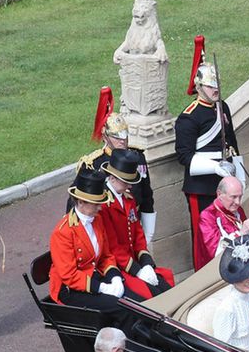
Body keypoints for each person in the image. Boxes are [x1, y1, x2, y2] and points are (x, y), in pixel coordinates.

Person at [174, 57, 243, 270]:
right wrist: (215, 167)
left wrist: (238, 175)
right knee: (204, 236)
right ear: (199, 87)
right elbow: (184, 156)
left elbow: (231, 143)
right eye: (210, 85)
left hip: (227, 183)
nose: (215, 89)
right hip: (202, 186)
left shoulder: (223, 107)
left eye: (217, 85)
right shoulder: (189, 117)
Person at [49, 168, 132, 315]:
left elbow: (106, 256)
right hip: (71, 289)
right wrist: (101, 287)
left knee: (135, 301)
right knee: (122, 309)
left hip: (93, 276)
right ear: (81, 202)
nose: (100, 208)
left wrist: (115, 277)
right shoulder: (63, 232)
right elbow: (69, 275)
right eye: (96, 204)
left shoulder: (97, 220)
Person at [97, 149, 174, 300]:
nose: (130, 186)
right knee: (151, 297)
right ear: (113, 178)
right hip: (118, 267)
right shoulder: (103, 206)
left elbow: (138, 233)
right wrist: (137, 271)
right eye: (126, 182)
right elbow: (112, 248)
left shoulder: (128, 198)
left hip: (133, 262)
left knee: (166, 286)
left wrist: (146, 263)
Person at [79, 94, 155, 244]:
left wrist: (148, 233)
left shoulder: (137, 157)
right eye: (116, 136)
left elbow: (146, 195)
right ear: (105, 137)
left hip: (133, 221)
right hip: (106, 226)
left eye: (124, 135)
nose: (122, 140)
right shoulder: (93, 163)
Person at [195, 175, 249, 266]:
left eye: (240, 197)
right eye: (233, 197)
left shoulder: (238, 209)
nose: (238, 202)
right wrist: (241, 234)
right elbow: (215, 253)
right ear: (219, 194)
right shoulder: (207, 216)